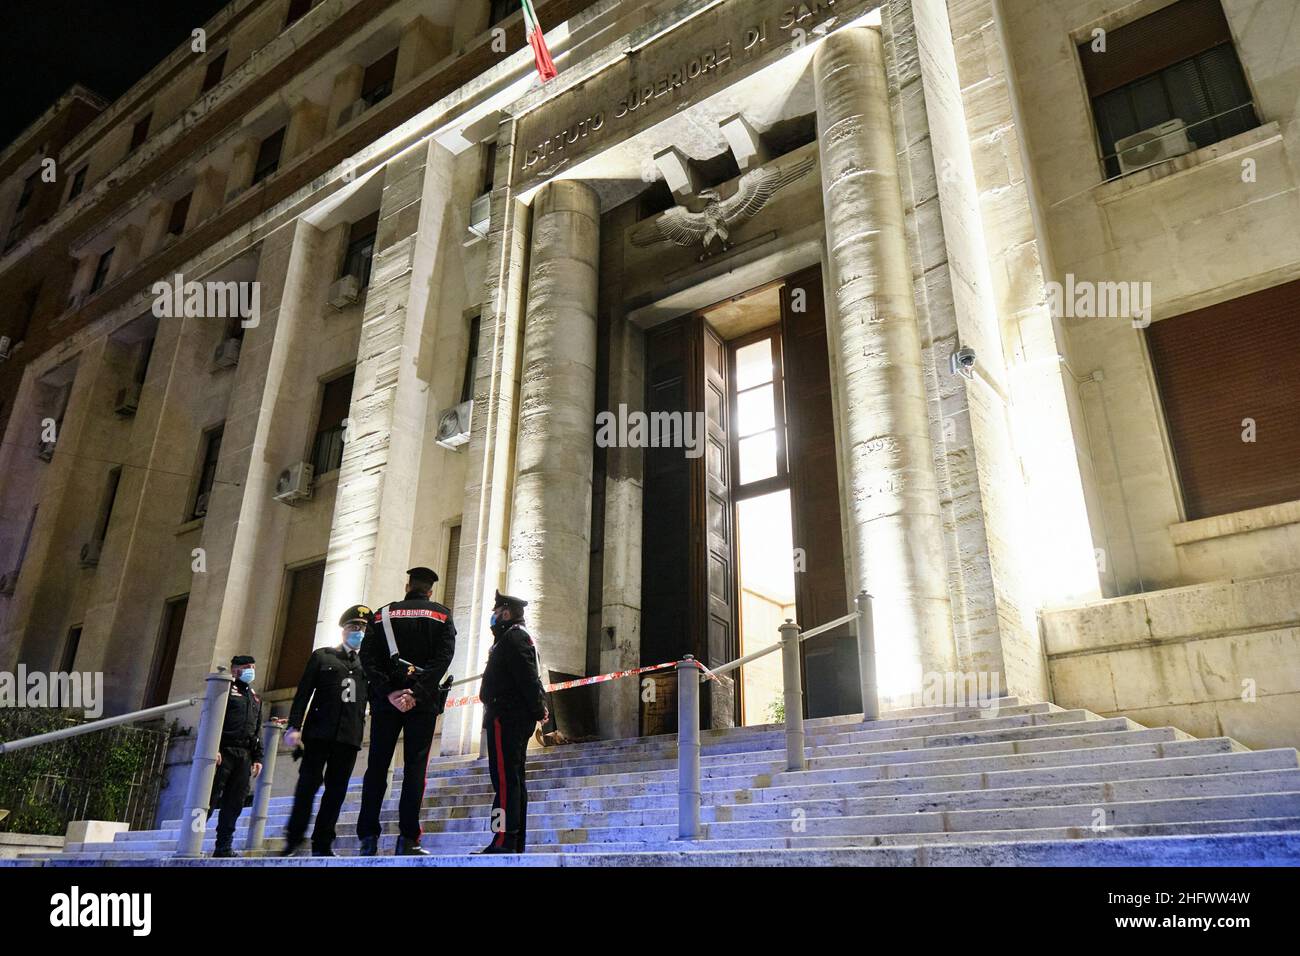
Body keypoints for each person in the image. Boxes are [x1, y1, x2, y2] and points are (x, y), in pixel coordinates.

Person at [356, 566, 456, 856]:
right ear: (430, 591)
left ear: (407, 586)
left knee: (376, 768)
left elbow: (368, 658)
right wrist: (416, 692)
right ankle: (408, 839)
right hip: (421, 704)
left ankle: (368, 838)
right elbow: (443, 659)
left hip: (386, 703)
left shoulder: (382, 614)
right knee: (415, 769)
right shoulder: (442, 615)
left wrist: (390, 691)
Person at [281, 604, 372, 857]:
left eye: (363, 628)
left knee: (336, 792)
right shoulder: (323, 656)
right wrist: (294, 726)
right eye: (354, 626)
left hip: (349, 737)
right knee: (307, 787)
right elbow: (303, 694)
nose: (359, 631)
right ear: (343, 630)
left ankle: (322, 843)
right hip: (318, 734)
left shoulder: (368, 664)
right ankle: (293, 839)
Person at [477, 590, 547, 854]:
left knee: (505, 781)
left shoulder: (513, 638)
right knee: (513, 780)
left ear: (505, 613)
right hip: (512, 715)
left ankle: (503, 839)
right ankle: (514, 841)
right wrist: (538, 708)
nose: (494, 617)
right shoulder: (517, 637)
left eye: (496, 612)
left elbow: (528, 677)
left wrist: (538, 708)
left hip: (505, 716)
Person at [209, 654, 263, 858]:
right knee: (209, 798)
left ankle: (223, 847)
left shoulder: (254, 696)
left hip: (244, 755)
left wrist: (258, 758)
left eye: (253, 667)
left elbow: (257, 729)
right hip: (223, 753)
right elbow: (211, 718)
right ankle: (190, 842)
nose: (252, 671)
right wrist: (212, 748)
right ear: (235, 669)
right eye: (248, 667)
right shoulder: (225, 689)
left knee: (234, 803)